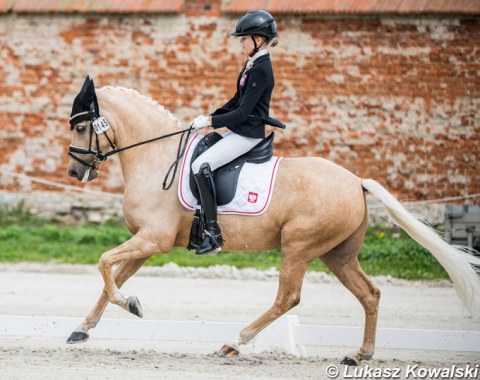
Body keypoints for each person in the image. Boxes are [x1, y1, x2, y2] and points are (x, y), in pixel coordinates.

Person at [190, 10, 279, 255]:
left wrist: (211, 120)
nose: (240, 42)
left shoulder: (261, 68)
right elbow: (236, 100)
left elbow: (242, 113)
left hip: (247, 134)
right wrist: (208, 117)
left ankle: (213, 234)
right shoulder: (253, 63)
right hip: (240, 130)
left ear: (258, 40)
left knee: (201, 165)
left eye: (244, 38)